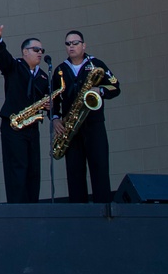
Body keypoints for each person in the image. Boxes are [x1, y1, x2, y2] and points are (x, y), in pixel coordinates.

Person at [52, 30, 121, 204]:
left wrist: (100, 90)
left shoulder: (96, 64)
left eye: (75, 43)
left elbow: (116, 86)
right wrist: (55, 118)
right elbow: (53, 98)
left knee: (100, 167)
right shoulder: (60, 69)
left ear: (84, 45)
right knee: (74, 172)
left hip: (94, 124)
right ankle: (78, 212)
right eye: (68, 44)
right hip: (71, 127)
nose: (71, 47)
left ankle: (104, 209)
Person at [0, 24, 50, 204]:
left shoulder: (44, 77)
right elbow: (3, 58)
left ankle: (33, 205)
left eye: (42, 50)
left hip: (32, 126)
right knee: (17, 168)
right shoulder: (15, 66)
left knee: (33, 169)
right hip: (13, 125)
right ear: (25, 52)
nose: (40, 52)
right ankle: (17, 208)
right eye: (36, 49)